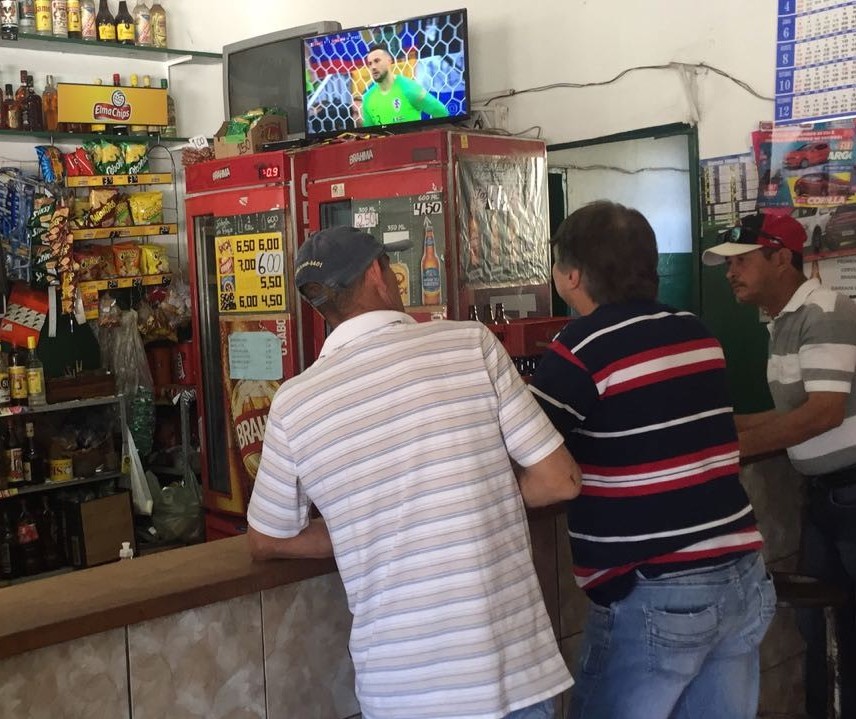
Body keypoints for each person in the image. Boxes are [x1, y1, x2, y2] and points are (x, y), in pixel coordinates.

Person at [247, 225, 583, 719]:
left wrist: (364, 526)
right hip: (511, 674)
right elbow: (560, 480)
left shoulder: (295, 403)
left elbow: (267, 539)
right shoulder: (472, 345)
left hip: (400, 691)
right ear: (378, 276)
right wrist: (472, 490)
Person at [529, 201, 774, 719]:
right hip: (741, 576)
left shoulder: (579, 349)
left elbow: (531, 452)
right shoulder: (698, 332)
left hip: (657, 591)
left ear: (571, 275)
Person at [703, 211, 856, 719]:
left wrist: (734, 449)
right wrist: (729, 425)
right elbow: (794, 411)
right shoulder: (781, 321)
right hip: (823, 498)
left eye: (743, 261)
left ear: (781, 258)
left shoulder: (824, 311)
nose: (731, 273)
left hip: (850, 493)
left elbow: (824, 412)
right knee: (822, 632)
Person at [361, 44, 450, 127]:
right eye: (370, 63)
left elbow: (441, 112)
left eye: (377, 61)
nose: (373, 67)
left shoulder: (409, 89)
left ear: (389, 61)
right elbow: (369, 133)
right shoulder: (367, 99)